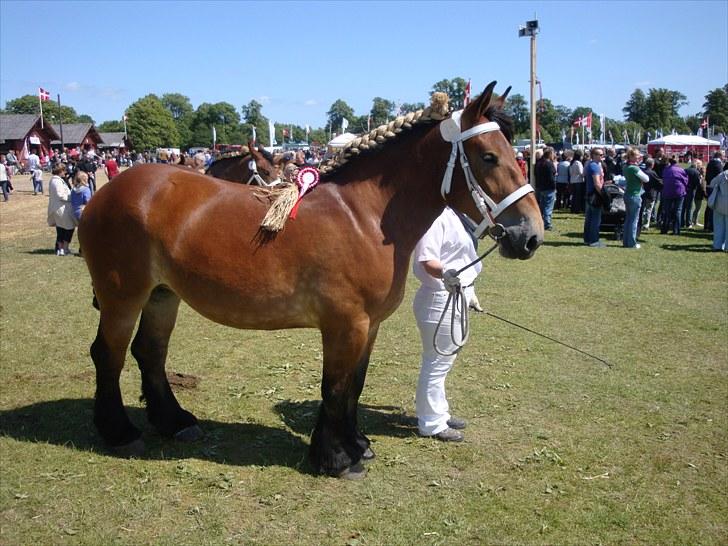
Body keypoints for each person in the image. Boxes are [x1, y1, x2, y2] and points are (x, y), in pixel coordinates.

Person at [413, 207, 482, 442]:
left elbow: (460, 258)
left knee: (443, 363)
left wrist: (469, 293)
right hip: (440, 298)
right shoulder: (435, 217)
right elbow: (427, 260)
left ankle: (438, 413)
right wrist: (447, 273)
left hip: (456, 295)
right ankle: (431, 423)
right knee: (436, 363)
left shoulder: (456, 215)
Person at [622, 147, 649, 248]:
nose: (639, 158)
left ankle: (626, 241)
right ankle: (632, 243)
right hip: (635, 195)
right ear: (632, 156)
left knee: (628, 219)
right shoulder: (634, 168)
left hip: (627, 194)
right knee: (634, 220)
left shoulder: (626, 166)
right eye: (637, 156)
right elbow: (646, 179)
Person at [47, 163, 76, 256]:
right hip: (61, 208)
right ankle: (64, 248)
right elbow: (60, 195)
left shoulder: (56, 180)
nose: (65, 172)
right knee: (68, 227)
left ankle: (60, 249)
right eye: (64, 170)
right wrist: (72, 197)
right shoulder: (57, 181)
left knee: (61, 229)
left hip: (59, 207)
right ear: (61, 171)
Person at [583, 148, 606, 247]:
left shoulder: (589, 165)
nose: (602, 156)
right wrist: (603, 194)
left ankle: (587, 239)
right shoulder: (595, 167)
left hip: (589, 194)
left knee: (589, 218)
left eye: (602, 154)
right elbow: (597, 183)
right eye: (600, 154)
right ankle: (594, 241)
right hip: (595, 195)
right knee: (595, 219)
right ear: (594, 155)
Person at [660, 155, 688, 235]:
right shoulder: (681, 170)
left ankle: (664, 229)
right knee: (677, 211)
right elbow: (686, 181)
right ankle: (676, 230)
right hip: (679, 192)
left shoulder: (666, 170)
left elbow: (663, 179)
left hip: (667, 192)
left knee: (666, 211)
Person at [706, 165, 728, 251]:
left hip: (719, 203)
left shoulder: (722, 175)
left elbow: (712, 183)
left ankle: (717, 245)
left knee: (718, 226)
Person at [534, 147, 557, 230]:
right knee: (548, 207)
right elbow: (552, 177)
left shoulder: (539, 163)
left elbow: (535, 174)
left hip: (540, 187)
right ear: (550, 154)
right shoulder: (549, 164)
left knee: (542, 206)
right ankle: (547, 224)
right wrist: (554, 187)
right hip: (548, 188)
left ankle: (540, 221)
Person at [704, 150, 725, 232]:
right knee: (714, 207)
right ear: (720, 156)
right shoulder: (717, 164)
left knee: (709, 206)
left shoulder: (710, 163)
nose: (724, 157)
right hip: (714, 187)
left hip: (709, 186)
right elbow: (721, 176)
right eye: (723, 155)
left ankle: (707, 225)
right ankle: (711, 226)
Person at [640, 158, 663, 230]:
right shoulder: (652, 173)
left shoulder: (642, 171)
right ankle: (646, 224)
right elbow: (659, 182)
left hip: (642, 192)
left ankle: (640, 222)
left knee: (642, 209)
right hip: (650, 193)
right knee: (648, 209)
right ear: (652, 165)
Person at [682, 160, 704, 228]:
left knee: (683, 207)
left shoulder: (684, 170)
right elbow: (698, 183)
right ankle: (688, 223)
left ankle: (681, 222)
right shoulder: (696, 172)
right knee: (689, 208)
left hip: (683, 190)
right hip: (691, 191)